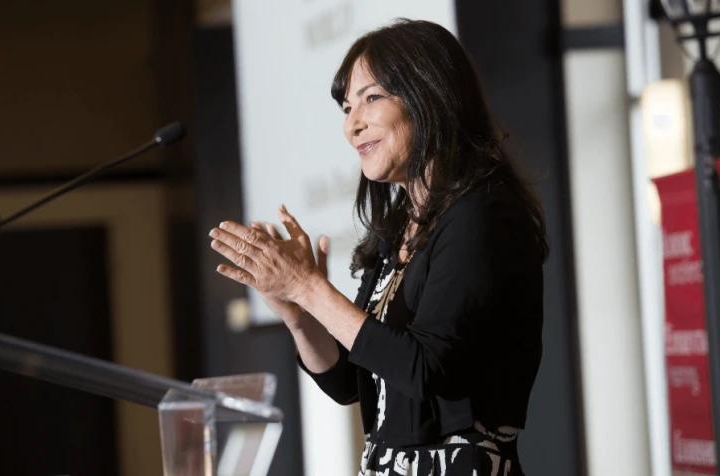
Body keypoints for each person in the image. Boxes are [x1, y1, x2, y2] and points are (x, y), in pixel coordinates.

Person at [208, 19, 548, 476]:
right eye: (348, 108)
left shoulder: (481, 217)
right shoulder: (398, 229)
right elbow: (352, 380)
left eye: (371, 99)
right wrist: (298, 313)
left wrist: (310, 287)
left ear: (429, 95)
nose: (352, 126)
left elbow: (423, 370)